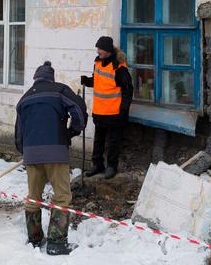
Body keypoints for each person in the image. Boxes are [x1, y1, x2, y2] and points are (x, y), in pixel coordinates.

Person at [15, 61, 88, 256]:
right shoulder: (59, 90)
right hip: (55, 151)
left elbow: (19, 133)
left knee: (33, 196)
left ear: (35, 79)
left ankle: (35, 239)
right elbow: (79, 108)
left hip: (31, 154)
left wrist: (27, 152)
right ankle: (56, 243)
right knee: (62, 196)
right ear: (51, 78)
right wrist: (73, 130)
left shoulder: (24, 99)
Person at [80, 36, 133, 180]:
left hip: (115, 112)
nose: (97, 51)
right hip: (99, 111)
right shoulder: (97, 62)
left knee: (114, 140)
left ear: (108, 50)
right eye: (97, 48)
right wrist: (88, 81)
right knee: (99, 139)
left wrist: (124, 109)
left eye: (100, 49)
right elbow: (99, 83)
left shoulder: (119, 67)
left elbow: (128, 90)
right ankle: (97, 165)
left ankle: (111, 166)